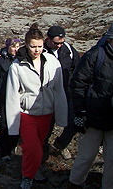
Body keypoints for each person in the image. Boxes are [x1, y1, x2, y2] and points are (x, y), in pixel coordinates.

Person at [6, 24, 67, 189]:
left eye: (40, 46)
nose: (37, 50)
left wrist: (62, 116)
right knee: (32, 147)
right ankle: (27, 176)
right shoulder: (17, 66)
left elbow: (59, 89)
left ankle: (33, 170)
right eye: (33, 46)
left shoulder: (53, 62)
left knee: (38, 146)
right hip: (27, 113)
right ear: (26, 45)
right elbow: (12, 95)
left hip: (47, 113)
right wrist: (13, 125)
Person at [67, 23, 113, 189]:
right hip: (92, 118)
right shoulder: (95, 55)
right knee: (86, 156)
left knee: (112, 160)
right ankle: (74, 184)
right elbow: (78, 84)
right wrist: (80, 113)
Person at [41, 26, 80, 167]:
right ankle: (43, 158)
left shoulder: (68, 50)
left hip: (67, 93)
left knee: (73, 122)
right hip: (48, 95)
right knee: (47, 127)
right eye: (56, 43)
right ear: (48, 39)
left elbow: (78, 68)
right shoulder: (41, 51)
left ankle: (61, 144)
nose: (59, 45)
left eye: (61, 42)